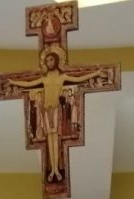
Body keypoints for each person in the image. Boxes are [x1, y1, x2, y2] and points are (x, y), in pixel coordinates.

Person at [7, 48, 107, 182]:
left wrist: (96, 73)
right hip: (46, 110)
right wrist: (13, 82)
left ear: (56, 61)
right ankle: (53, 169)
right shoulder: (44, 78)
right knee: (50, 139)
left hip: (55, 109)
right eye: (47, 60)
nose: (49, 62)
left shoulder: (62, 77)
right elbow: (28, 83)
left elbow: (79, 78)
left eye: (51, 59)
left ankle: (57, 169)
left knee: (56, 140)